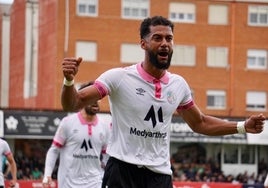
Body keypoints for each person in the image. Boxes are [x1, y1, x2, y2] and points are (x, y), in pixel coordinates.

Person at [60, 16, 266, 188]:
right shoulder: (118, 77)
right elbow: (73, 104)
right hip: (122, 172)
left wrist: (242, 127)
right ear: (143, 43)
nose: (165, 43)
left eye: (169, 38)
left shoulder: (178, 85)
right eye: (157, 38)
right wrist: (69, 80)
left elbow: (200, 123)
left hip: (159, 175)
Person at [42, 81, 111, 188]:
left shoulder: (104, 126)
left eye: (97, 99)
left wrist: (108, 177)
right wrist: (47, 174)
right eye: (91, 99)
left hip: (95, 182)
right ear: (82, 101)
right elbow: (54, 150)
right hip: (69, 183)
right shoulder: (68, 122)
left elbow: (106, 156)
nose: (95, 102)